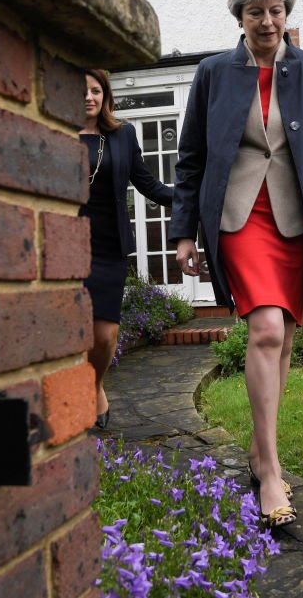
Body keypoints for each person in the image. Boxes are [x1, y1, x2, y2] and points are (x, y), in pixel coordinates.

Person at [169, 0, 303, 528]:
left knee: (282, 343)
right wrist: (184, 231)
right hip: (237, 218)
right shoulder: (213, 73)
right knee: (267, 329)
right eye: (255, 11)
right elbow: (191, 161)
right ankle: (271, 470)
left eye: (276, 10)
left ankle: (260, 449)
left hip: (295, 219)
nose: (267, 20)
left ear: (286, 14)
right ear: (241, 17)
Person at [81, 69, 173, 429]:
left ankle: (95, 384)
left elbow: (149, 184)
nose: (88, 97)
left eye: (95, 90)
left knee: (104, 335)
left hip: (108, 246)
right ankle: (77, 398)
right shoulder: (53, 132)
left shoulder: (121, 136)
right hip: (66, 247)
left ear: (105, 95)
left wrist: (192, 199)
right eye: (81, 91)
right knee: (74, 331)